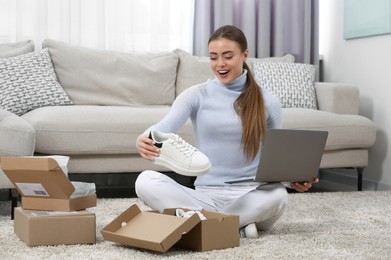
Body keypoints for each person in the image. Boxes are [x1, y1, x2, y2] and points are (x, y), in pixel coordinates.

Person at [135, 25, 317, 238]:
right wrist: (144, 139)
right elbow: (160, 130)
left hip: (252, 196)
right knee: (145, 180)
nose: (220, 64)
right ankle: (234, 224)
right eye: (213, 57)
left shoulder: (268, 102)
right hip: (205, 195)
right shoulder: (196, 95)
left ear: (245, 55)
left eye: (227, 56)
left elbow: (275, 160)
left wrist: (293, 180)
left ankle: (204, 222)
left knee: (278, 194)